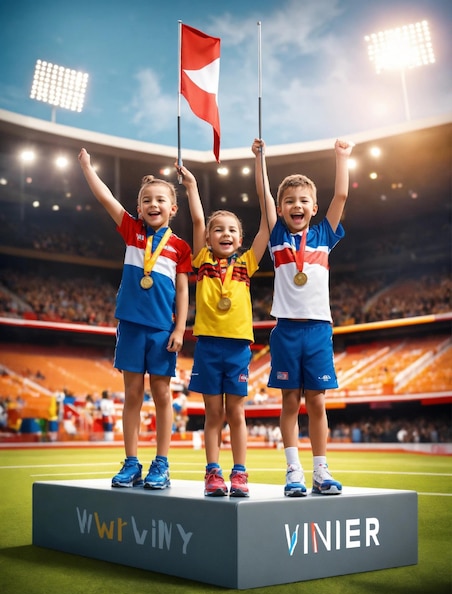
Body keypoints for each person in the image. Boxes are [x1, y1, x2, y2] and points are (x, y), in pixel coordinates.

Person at [78, 148, 192, 489]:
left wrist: (180, 329)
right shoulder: (131, 230)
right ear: (139, 207)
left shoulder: (180, 247)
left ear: (173, 208)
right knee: (131, 396)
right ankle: (131, 462)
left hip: (161, 330)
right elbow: (105, 197)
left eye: (160, 199)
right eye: (146, 200)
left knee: (161, 395)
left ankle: (161, 463)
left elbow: (184, 293)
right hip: (129, 325)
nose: (153, 204)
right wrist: (87, 167)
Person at [253, 137, 354, 497]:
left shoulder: (325, 234)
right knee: (290, 402)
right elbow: (263, 196)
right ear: (281, 209)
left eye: (303, 201)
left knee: (317, 401)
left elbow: (340, 198)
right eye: (289, 201)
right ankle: (293, 470)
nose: (297, 205)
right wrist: (260, 160)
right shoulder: (278, 234)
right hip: (285, 329)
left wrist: (341, 158)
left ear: (313, 208)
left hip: (318, 329)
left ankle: (321, 470)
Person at [177, 146, 275, 498]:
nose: (225, 234)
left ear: (241, 238)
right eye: (218, 229)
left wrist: (259, 164)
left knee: (236, 412)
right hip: (207, 346)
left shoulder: (247, 263)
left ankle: (240, 473)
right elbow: (199, 221)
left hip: (237, 348)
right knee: (213, 413)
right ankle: (213, 473)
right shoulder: (201, 258)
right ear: (207, 239)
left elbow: (269, 223)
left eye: (232, 229)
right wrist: (190, 186)